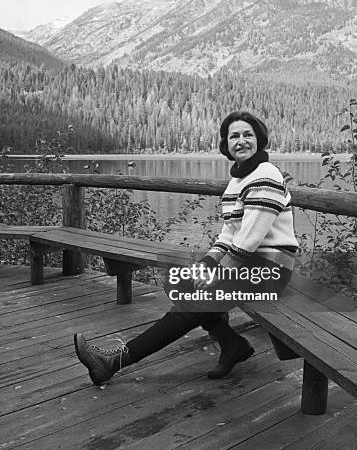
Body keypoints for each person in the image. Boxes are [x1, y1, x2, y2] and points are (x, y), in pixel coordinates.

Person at [74, 111, 298, 386]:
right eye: (234, 136)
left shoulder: (265, 175)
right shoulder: (238, 181)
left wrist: (218, 275)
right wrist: (207, 263)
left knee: (195, 301)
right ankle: (232, 345)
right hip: (250, 263)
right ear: (226, 144)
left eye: (248, 135)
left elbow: (249, 240)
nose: (241, 141)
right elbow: (230, 233)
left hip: (270, 266)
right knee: (189, 284)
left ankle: (113, 362)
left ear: (259, 140)